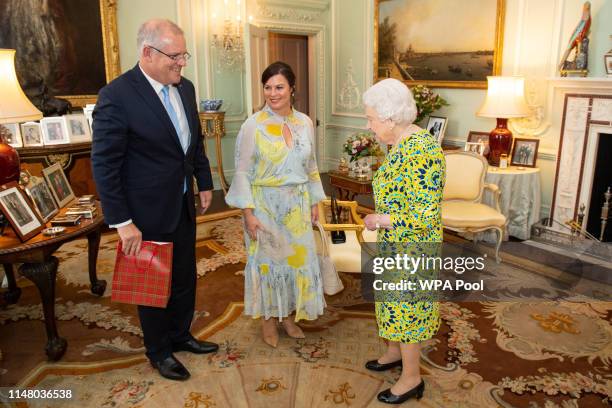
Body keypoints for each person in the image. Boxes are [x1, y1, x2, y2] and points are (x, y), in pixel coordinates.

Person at [91, 19, 218, 381]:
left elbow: (194, 143)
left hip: (181, 203)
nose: (182, 63)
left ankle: (180, 335)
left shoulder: (186, 88)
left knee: (184, 275)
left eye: (184, 55)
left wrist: (204, 182)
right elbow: (105, 165)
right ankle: (159, 351)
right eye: (175, 56)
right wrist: (122, 222)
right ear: (148, 53)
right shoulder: (116, 96)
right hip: (143, 213)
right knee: (151, 284)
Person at [225, 61, 326, 348]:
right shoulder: (252, 125)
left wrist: (315, 201)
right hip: (264, 206)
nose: (273, 93)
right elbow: (242, 171)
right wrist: (248, 213)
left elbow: (312, 166)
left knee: (296, 263)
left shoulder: (304, 122)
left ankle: (288, 317)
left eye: (279, 87)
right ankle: (269, 321)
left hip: (298, 204)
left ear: (292, 89)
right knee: (269, 265)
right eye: (268, 87)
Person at [361, 78, 445, 404]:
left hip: (413, 244)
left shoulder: (422, 151)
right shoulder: (400, 143)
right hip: (395, 242)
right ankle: (394, 353)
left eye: (371, 119)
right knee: (391, 303)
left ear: (391, 118)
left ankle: (411, 378)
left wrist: (380, 219)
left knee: (407, 308)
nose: (369, 126)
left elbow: (425, 214)